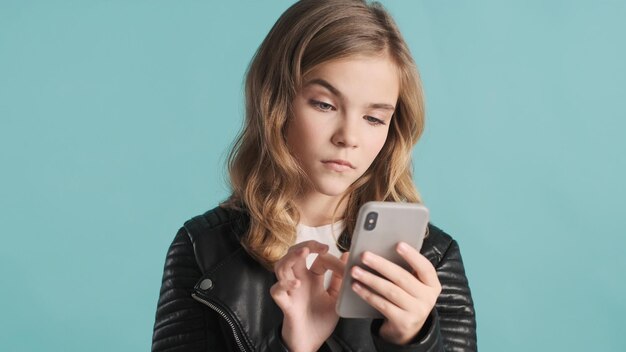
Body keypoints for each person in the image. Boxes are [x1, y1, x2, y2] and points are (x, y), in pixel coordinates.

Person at [151, 0, 477, 351]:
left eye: (374, 118)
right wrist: (295, 346)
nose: (348, 137)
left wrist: (413, 341)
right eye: (324, 104)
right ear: (274, 101)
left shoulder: (431, 258)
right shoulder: (204, 248)